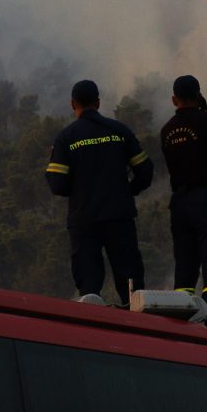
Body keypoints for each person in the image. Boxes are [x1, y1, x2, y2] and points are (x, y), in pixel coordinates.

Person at [46, 79, 154, 307]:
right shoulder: (119, 131)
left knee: (89, 289)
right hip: (119, 217)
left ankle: (93, 333)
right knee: (131, 286)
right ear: (98, 102)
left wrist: (79, 191)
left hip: (83, 220)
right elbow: (145, 171)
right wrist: (126, 191)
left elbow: (57, 184)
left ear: (72, 104)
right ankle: (140, 332)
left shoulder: (66, 138)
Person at [160, 75, 207, 340]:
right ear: (199, 94)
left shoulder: (167, 130)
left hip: (179, 204)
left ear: (174, 99)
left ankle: (181, 330)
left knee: (185, 270)